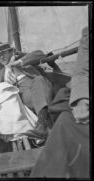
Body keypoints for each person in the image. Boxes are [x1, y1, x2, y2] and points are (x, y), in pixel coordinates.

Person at [30, 26, 89, 178]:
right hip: (31, 93)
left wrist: (51, 64)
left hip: (46, 89)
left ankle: (44, 123)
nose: (4, 56)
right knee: (58, 99)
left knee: (59, 94)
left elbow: (40, 59)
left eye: (6, 53)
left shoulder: (35, 67)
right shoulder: (9, 71)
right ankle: (44, 123)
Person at [0, 43, 61, 139]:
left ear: (10, 52)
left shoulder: (24, 60)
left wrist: (19, 62)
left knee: (39, 80)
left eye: (3, 53)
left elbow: (40, 54)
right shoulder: (2, 73)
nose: (1, 57)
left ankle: (41, 125)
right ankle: (44, 126)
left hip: (41, 89)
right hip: (25, 97)